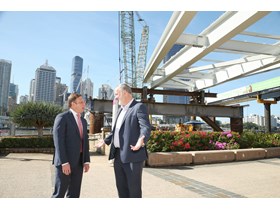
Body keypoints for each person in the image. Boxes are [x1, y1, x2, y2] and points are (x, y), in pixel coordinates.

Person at [96, 83, 151, 198]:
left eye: (117, 94)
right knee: (121, 189)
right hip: (118, 156)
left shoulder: (138, 107)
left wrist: (142, 138)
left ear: (125, 93)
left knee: (133, 190)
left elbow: (145, 127)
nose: (115, 97)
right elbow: (116, 131)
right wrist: (105, 141)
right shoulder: (121, 110)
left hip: (132, 155)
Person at [52, 93, 90, 198]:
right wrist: (64, 162)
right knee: (59, 194)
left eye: (84, 102)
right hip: (65, 163)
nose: (84, 104)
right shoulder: (62, 118)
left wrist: (86, 160)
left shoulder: (83, 121)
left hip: (79, 163)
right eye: (81, 102)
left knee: (74, 194)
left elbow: (85, 141)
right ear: (73, 104)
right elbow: (58, 142)